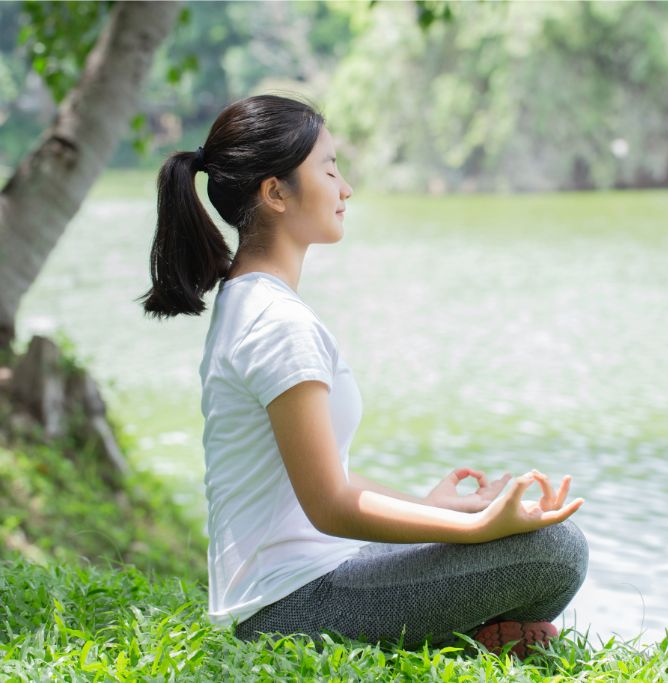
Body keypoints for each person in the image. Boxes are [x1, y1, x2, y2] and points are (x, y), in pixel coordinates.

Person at [136, 93, 589, 658]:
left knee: (531, 537)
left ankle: (477, 635)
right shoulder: (276, 323)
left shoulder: (249, 301)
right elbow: (330, 504)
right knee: (556, 550)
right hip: (290, 610)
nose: (345, 187)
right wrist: (476, 531)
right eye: (328, 168)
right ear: (275, 192)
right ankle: (476, 638)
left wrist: (446, 510)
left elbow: (328, 486)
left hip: (305, 579)